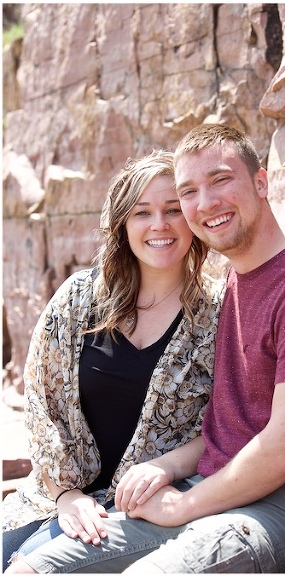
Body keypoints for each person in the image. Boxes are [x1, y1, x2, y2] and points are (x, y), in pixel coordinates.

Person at [7, 123, 285, 573]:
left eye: (221, 180)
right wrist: (163, 472)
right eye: (190, 191)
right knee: (31, 568)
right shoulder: (240, 281)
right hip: (208, 489)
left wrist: (183, 504)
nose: (205, 203)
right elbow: (223, 426)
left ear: (261, 182)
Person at [1, 151, 221, 570]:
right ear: (122, 223)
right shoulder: (78, 298)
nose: (159, 224)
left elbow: (224, 425)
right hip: (54, 495)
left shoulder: (219, 313)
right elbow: (42, 405)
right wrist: (66, 495)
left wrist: (166, 468)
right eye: (142, 212)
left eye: (173, 209)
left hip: (146, 507)